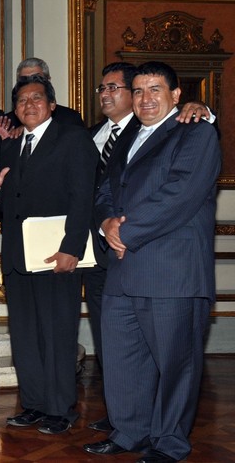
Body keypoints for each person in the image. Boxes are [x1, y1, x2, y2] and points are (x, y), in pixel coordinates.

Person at [84, 62, 220, 462]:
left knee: (176, 366)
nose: (146, 98)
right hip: (124, 271)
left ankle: (169, 443)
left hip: (170, 272)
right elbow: (105, 188)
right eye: (139, 90)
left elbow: (180, 194)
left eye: (155, 90)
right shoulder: (126, 137)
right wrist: (107, 221)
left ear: (177, 96)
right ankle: (130, 432)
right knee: (123, 361)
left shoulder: (196, 133)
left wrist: (126, 232)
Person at [0, 74, 97, 435]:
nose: (29, 105)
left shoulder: (73, 139)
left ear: (52, 105)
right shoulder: (11, 148)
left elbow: (83, 196)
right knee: (24, 335)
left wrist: (72, 247)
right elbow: (8, 204)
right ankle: (36, 403)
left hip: (59, 256)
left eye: (37, 98)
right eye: (22, 100)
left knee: (57, 333)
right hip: (18, 259)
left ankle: (60, 409)